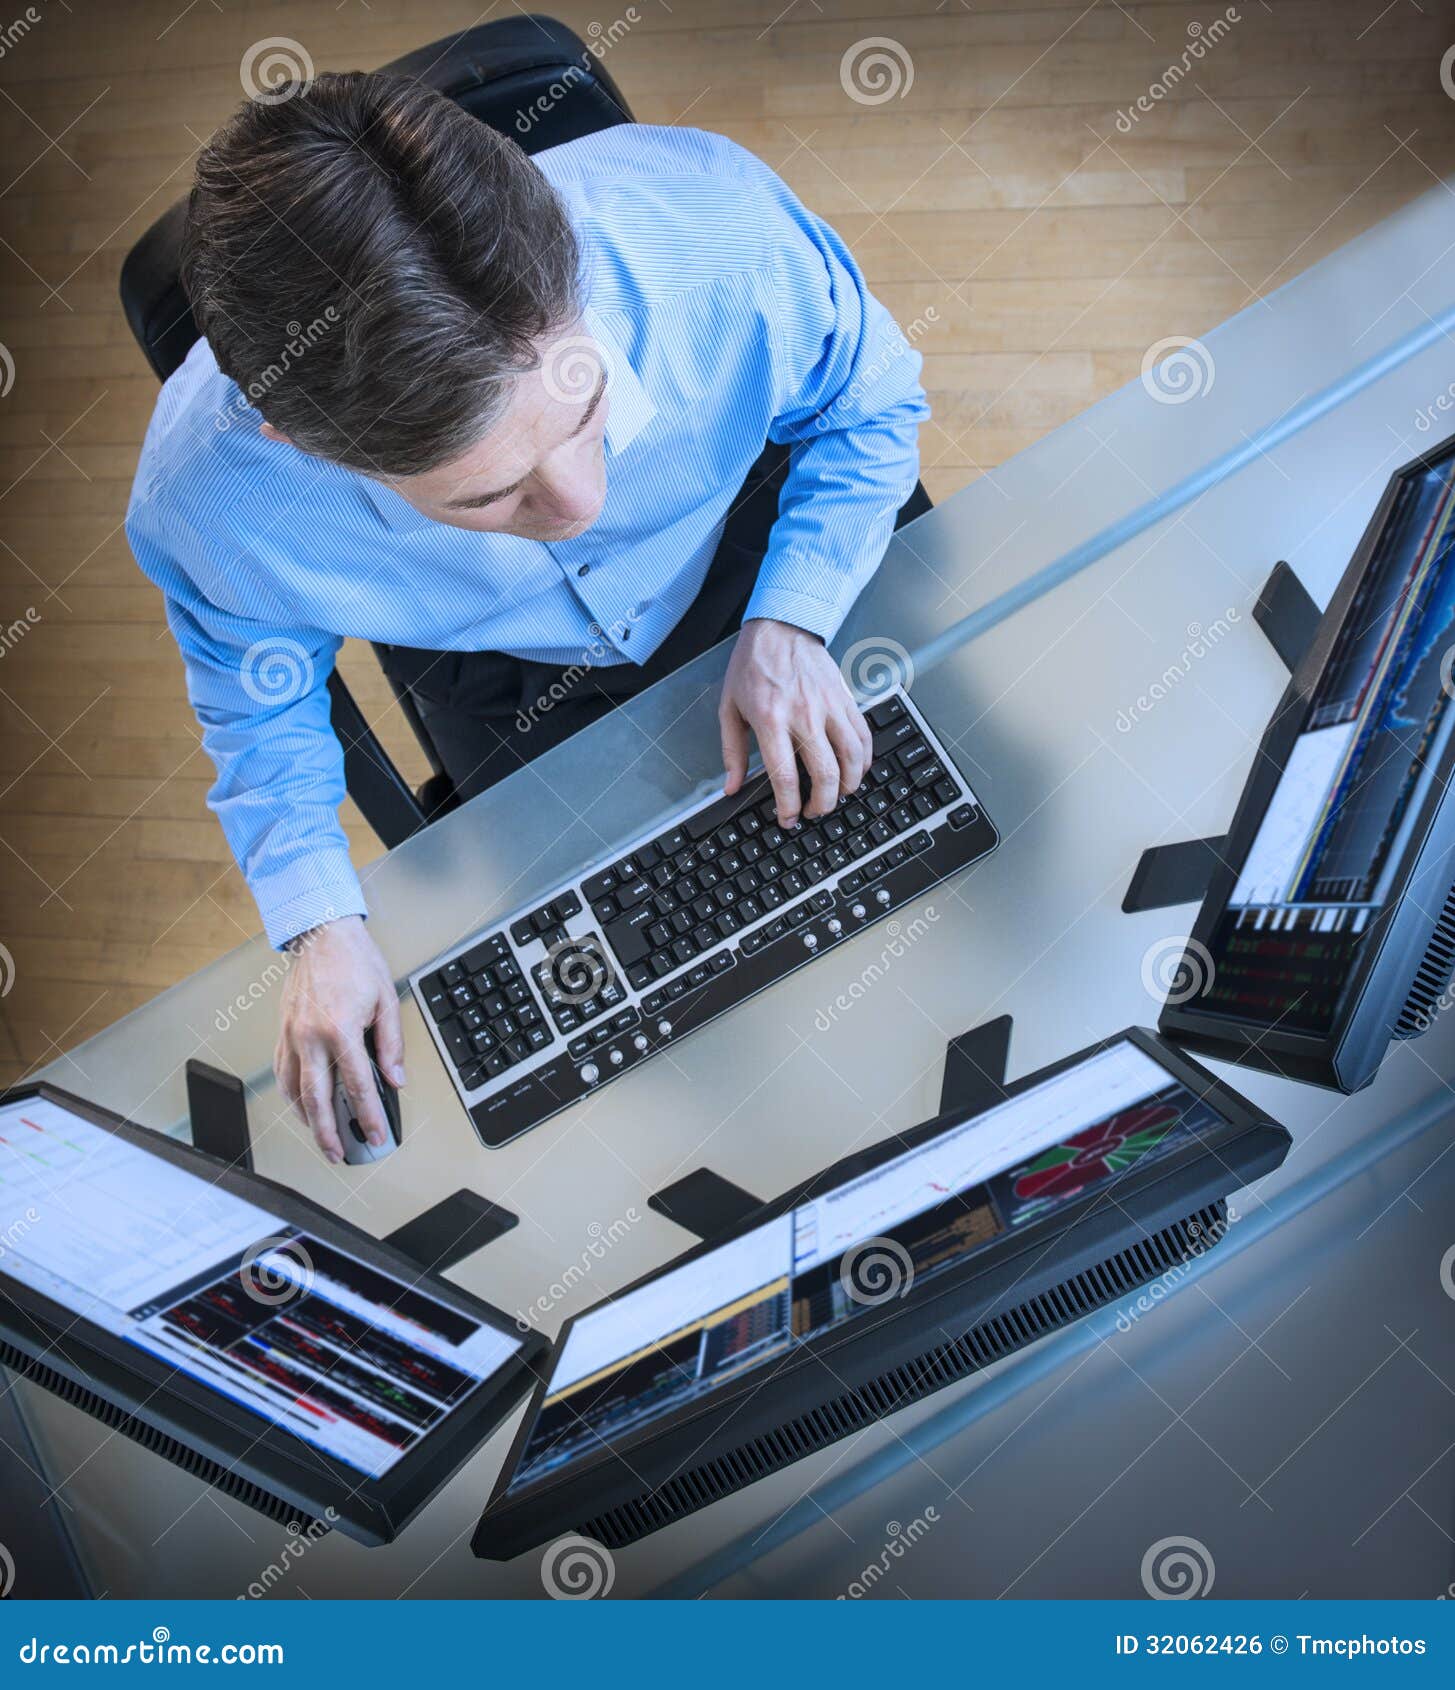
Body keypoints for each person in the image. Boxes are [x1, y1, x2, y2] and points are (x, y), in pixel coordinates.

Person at [126, 72, 929, 1162]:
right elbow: (256, 693)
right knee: (674, 1068)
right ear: (298, 443)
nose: (581, 505)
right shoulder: (212, 503)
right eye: (491, 495)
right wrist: (321, 921)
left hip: (762, 532)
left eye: (587, 412)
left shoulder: (716, 227)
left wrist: (791, 617)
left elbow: (870, 401)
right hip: (504, 667)